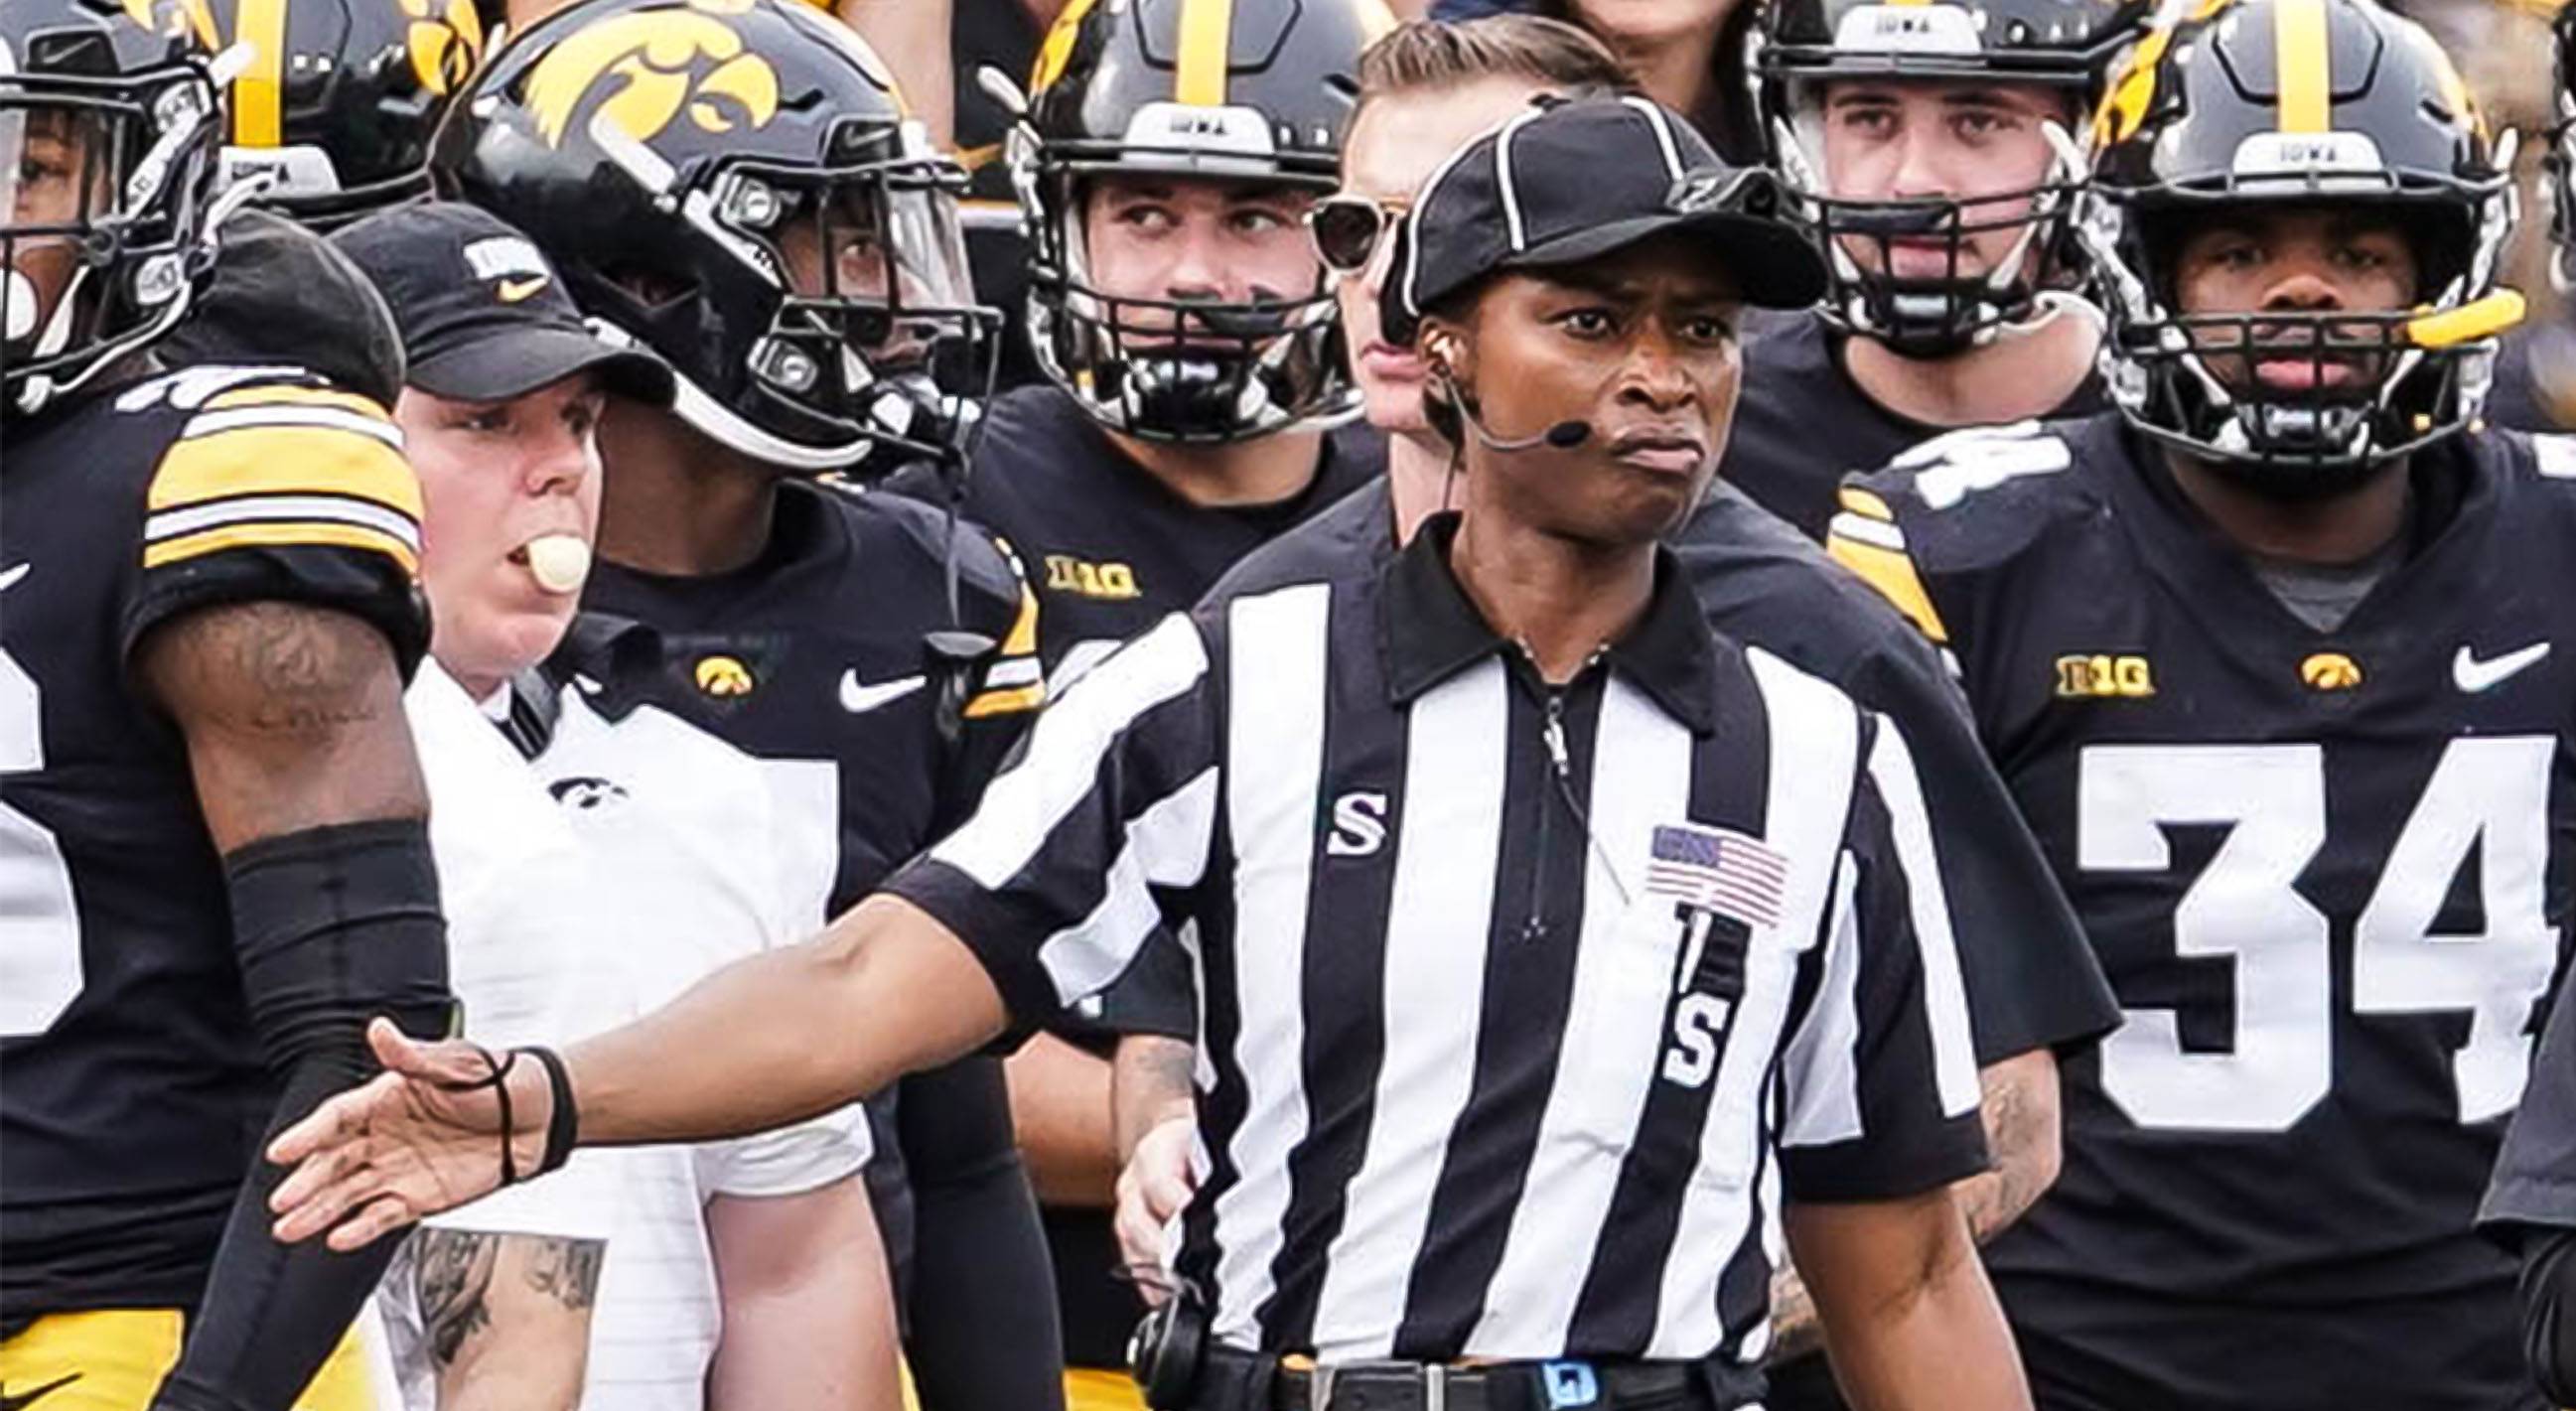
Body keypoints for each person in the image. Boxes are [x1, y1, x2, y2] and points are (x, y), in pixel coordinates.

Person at [267, 93, 2029, 1411]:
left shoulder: (1817, 754)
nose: (1659, 375)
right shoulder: (1228, 681)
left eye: (1700, 330)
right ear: (1431, 359)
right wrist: (546, 1101)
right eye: (1588, 320)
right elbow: (880, 975)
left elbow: (1901, 1269)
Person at [1112, 21, 2113, 1411]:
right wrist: (1159, 1120)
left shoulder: (1814, 644)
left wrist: (1648, 1318)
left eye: (1466, 212)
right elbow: (1164, 1001)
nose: (1399, 281)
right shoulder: (1262, 618)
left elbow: (2008, 1116)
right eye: (1359, 230)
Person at [1823, 1, 2559, 1405]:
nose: (2299, 295)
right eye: (2233, 246)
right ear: (2134, 259)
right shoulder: (1953, 551)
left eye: (2357, 250)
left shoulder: (2561, 543)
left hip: (2493, 1355)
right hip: (2082, 1359)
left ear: (2453, 259)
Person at [423, 6, 1063, 1410]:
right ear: (651, 279)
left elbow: (957, 1144)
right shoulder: (424, 644)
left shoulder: (929, 591)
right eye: (825, 238)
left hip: (799, 1283)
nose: (881, 291)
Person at [880, 0, 1393, 1395]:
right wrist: (1153, 1120)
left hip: (1377, 1321)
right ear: (1058, 222)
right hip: (1019, 1316)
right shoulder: (936, 506)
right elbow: (867, 992)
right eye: (1146, 216)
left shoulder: (1437, 518)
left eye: (1251, 219)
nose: (1196, 276)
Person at [0, 2, 452, 1406]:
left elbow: (367, 1034)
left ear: (139, 185)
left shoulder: (209, 462)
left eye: (24, 166)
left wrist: (215, 1397)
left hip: (119, 1330)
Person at [1714, 0, 2143, 539]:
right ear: (1810, 139)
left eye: (1978, 121)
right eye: (1870, 118)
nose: (1914, 180)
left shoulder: (2175, 437)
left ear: (2085, 143)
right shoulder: (1715, 427)